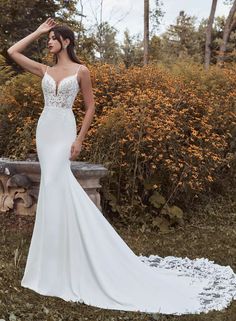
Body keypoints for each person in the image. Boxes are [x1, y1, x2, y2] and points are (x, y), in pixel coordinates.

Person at [7, 18, 236, 316]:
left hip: (64, 130)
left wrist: (79, 140)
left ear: (66, 42)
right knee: (52, 189)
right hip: (45, 129)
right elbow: (13, 51)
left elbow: (90, 106)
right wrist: (36, 30)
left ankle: (69, 256)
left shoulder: (81, 71)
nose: (48, 43)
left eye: (52, 38)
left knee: (57, 185)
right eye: (47, 38)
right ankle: (51, 261)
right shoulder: (46, 70)